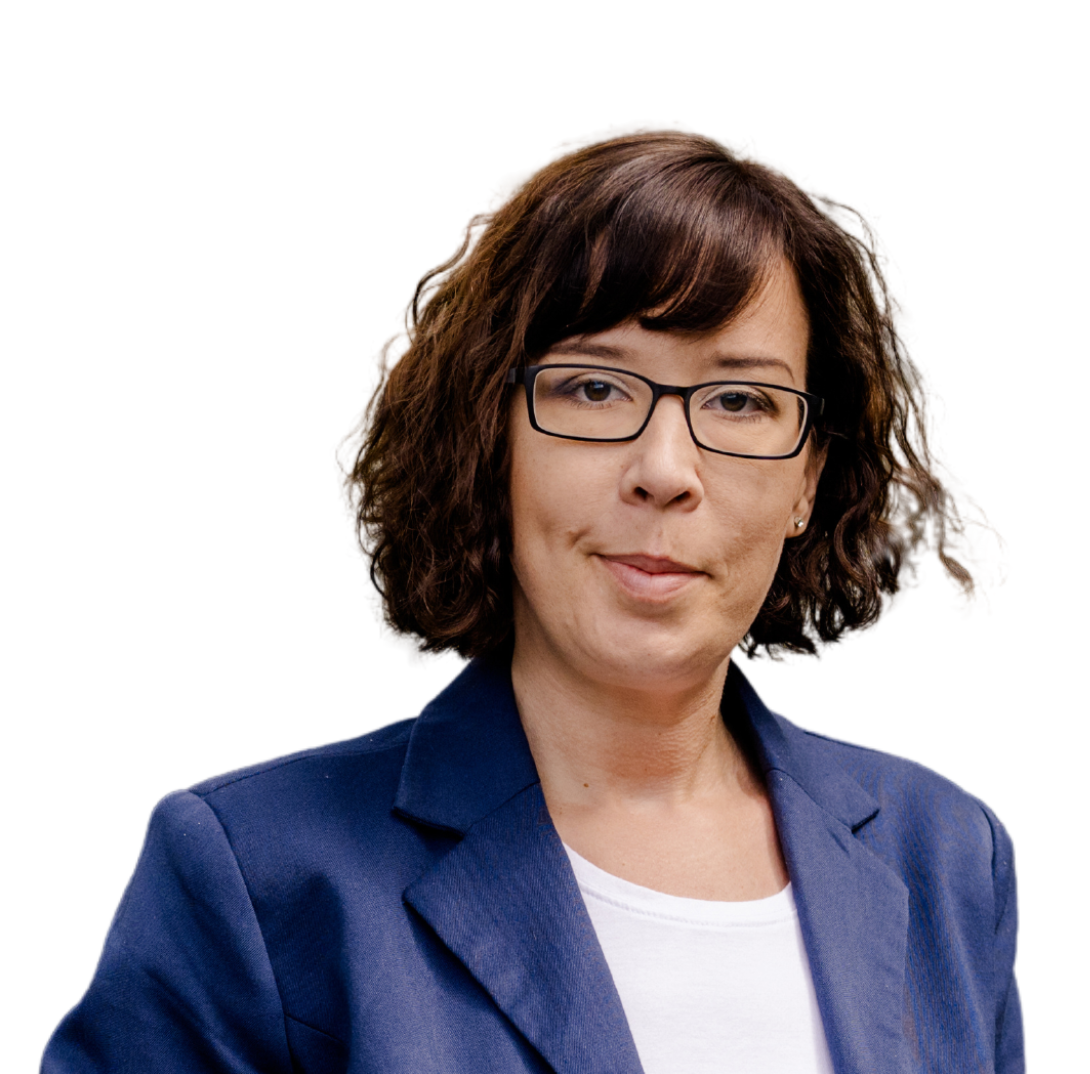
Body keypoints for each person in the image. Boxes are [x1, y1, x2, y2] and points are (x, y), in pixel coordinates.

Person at [40, 120, 1021, 1073]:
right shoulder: (256, 876)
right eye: (594, 388)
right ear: (492, 437)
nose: (664, 470)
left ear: (808, 477)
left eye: (739, 400)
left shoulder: (945, 856)